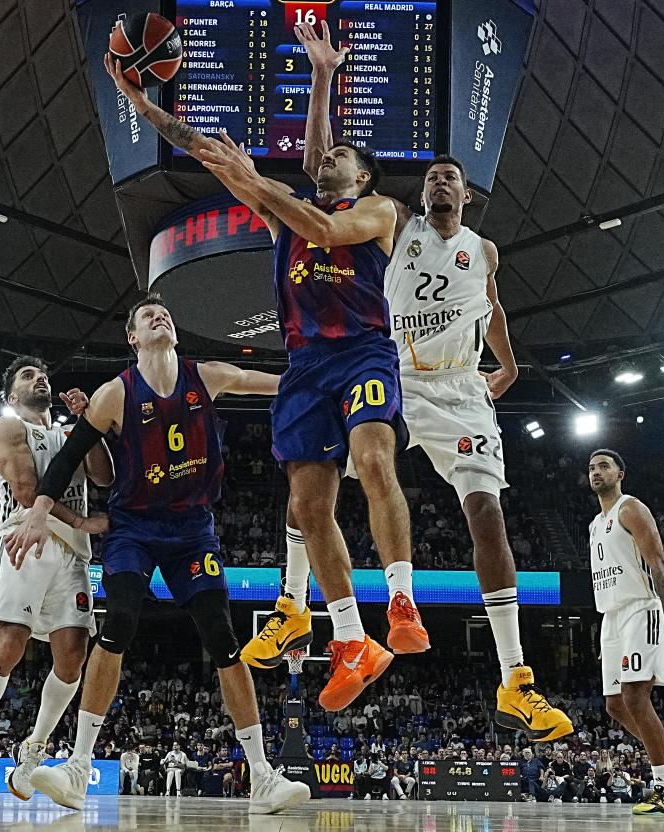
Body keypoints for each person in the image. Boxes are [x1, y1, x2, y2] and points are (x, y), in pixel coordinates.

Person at [264, 21, 572, 741]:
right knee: (315, 478)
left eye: (449, 178)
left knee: (485, 516)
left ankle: (514, 681)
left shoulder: (483, 250)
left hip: (460, 386)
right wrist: (322, 76)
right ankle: (290, 604)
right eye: (430, 175)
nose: (438, 182)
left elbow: (488, 307)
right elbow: (321, 169)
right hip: (389, 368)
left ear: (464, 197)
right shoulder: (390, 222)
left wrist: (509, 361)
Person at [103, 55, 428, 711]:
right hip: (304, 365)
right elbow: (201, 150)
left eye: (337, 156)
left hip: (363, 352)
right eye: (324, 154)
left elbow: (324, 227)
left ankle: (400, 598)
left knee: (371, 456)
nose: (324, 159)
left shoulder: (379, 211)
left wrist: (254, 180)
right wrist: (142, 106)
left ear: (359, 174)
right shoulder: (286, 212)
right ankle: (349, 641)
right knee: (308, 508)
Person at [3, 295, 310, 815]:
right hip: (135, 528)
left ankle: (261, 775)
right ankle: (78, 766)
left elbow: (276, 383)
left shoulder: (207, 375)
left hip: (193, 529)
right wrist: (38, 512)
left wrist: (324, 379)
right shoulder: (113, 396)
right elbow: (71, 457)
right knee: (118, 621)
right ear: (133, 338)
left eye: (165, 313)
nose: (160, 317)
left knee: (222, 636)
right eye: (148, 317)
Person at [0, 357, 112, 810]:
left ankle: (33, 749)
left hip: (72, 554)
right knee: (9, 645)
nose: (40, 378)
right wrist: (81, 519)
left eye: (43, 373)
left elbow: (104, 476)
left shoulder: (67, 432)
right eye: (26, 375)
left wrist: (89, 424)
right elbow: (25, 491)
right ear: (11, 395)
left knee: (73, 658)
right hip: (24, 538)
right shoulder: (6, 426)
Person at [588, 449, 664, 815]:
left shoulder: (631, 509)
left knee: (635, 697)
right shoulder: (592, 525)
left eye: (604, 466)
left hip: (642, 608)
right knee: (615, 704)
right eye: (591, 467)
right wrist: (608, 634)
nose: (596, 472)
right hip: (613, 617)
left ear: (621, 473)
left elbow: (658, 562)